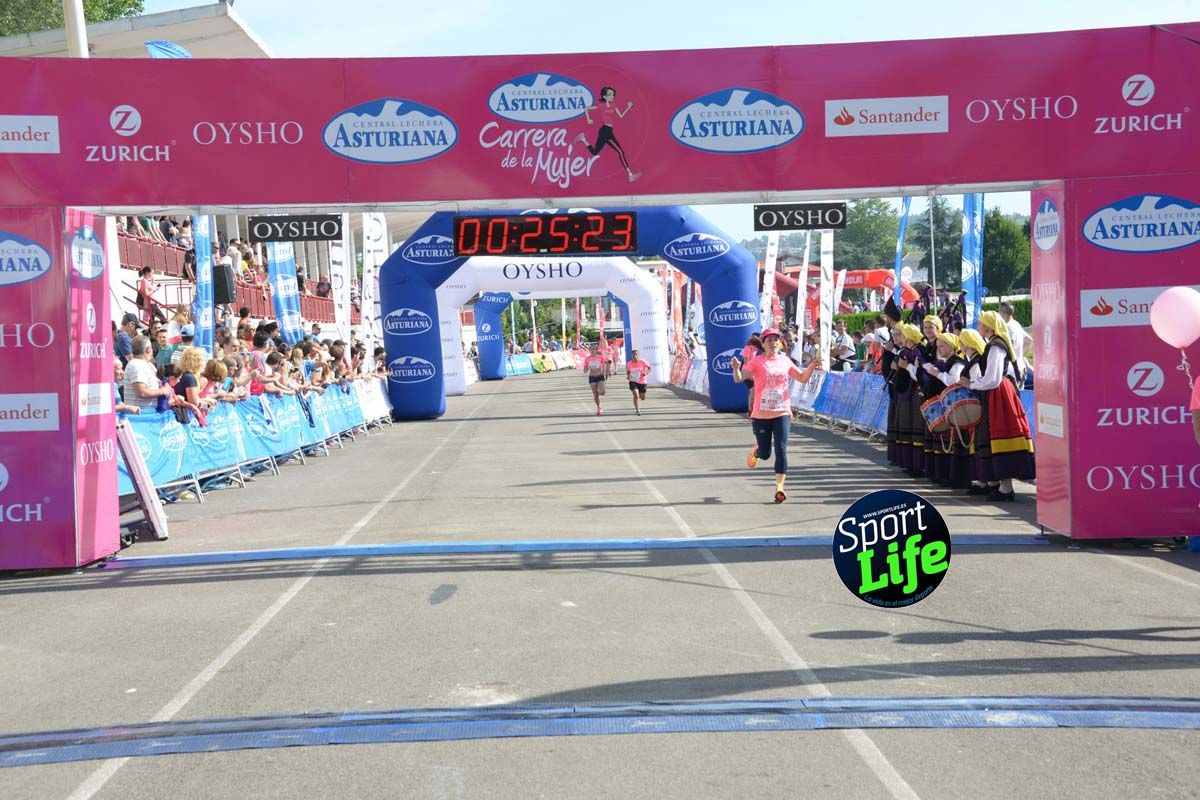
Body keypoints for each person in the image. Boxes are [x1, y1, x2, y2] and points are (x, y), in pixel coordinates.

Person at [731, 327, 820, 503]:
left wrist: (811, 367)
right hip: (761, 414)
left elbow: (801, 378)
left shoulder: (785, 360)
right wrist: (736, 368)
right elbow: (739, 378)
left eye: (775, 340)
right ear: (763, 344)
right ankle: (756, 451)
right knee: (765, 454)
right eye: (769, 340)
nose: (773, 343)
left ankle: (780, 488)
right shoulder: (757, 362)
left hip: (782, 411)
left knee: (781, 448)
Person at [959, 310, 1035, 501]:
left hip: (999, 394)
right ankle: (995, 482)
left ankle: (1006, 487)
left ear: (989, 326)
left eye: (981, 324)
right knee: (990, 435)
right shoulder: (994, 344)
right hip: (995, 394)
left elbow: (993, 379)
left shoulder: (996, 346)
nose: (978, 327)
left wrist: (972, 384)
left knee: (1001, 435)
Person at [921, 332, 970, 489]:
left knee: (956, 442)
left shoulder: (957, 363)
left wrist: (938, 374)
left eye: (942, 346)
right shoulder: (945, 362)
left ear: (951, 346)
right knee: (947, 441)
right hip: (947, 407)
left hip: (956, 408)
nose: (939, 349)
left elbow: (953, 382)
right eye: (938, 346)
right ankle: (945, 474)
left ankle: (958, 478)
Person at [574, 86, 640, 182]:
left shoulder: (614, 105)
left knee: (595, 152)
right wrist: (588, 120)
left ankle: (583, 138)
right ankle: (630, 175)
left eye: (613, 94)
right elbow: (586, 108)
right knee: (620, 152)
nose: (612, 96)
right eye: (609, 94)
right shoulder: (601, 105)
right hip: (605, 131)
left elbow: (620, 116)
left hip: (609, 131)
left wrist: (628, 108)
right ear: (604, 96)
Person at [122, 335, 170, 412]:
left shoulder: (148, 365)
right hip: (141, 416)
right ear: (148, 349)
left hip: (149, 414)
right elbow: (141, 392)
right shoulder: (136, 365)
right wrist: (163, 391)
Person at [998, 302, 1032, 386]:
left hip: (1012, 371)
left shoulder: (1008, 327)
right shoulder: (1017, 324)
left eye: (998, 311)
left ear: (1002, 313)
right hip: (1021, 367)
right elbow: (1029, 340)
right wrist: (1020, 354)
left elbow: (1011, 346)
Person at [740, 333, 764, 417]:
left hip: (753, 371)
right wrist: (749, 373)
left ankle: (755, 409)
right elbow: (746, 362)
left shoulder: (756, 348)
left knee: (756, 391)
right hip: (747, 371)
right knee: (753, 390)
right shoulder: (747, 348)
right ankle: (750, 410)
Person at [583, 343, 608, 415]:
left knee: (602, 392)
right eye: (591, 349)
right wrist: (585, 369)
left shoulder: (600, 357)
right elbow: (585, 368)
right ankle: (599, 407)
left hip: (600, 376)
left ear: (596, 350)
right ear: (589, 350)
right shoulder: (587, 358)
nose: (592, 350)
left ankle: (600, 392)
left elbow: (606, 363)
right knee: (595, 394)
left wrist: (607, 372)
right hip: (592, 377)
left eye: (594, 349)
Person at [626, 349, 651, 415]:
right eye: (633, 354)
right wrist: (628, 376)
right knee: (635, 395)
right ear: (631, 356)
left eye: (636, 354)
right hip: (633, 381)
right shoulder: (629, 363)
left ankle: (641, 395)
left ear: (638, 355)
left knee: (642, 397)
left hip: (642, 382)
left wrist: (646, 373)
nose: (635, 356)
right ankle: (637, 410)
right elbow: (628, 372)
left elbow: (649, 368)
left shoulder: (643, 361)